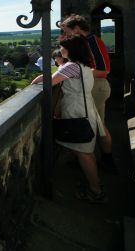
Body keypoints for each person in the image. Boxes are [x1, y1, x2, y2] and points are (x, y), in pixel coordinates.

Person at [32, 36, 108, 203]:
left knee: (84, 153)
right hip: (85, 108)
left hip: (77, 110)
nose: (60, 49)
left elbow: (49, 81)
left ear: (70, 49)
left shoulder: (72, 66)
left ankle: (96, 192)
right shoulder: (83, 65)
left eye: (62, 47)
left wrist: (37, 79)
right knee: (86, 151)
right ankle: (95, 184)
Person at [61, 14, 116, 173]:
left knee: (95, 125)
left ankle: (96, 160)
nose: (67, 35)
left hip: (97, 86)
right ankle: (104, 160)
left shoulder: (92, 41)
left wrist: (78, 71)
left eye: (68, 31)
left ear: (77, 28)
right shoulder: (86, 42)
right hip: (93, 86)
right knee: (98, 125)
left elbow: (104, 70)